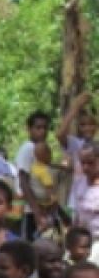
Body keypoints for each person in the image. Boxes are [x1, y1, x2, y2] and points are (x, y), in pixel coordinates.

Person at [58, 92, 95, 222]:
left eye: (91, 124)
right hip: (78, 199)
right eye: (83, 125)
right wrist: (75, 107)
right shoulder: (76, 145)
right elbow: (60, 134)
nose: (87, 128)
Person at [15, 111, 54, 239]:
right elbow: (23, 180)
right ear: (29, 129)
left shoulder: (40, 150)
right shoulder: (28, 148)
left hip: (42, 209)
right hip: (30, 211)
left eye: (45, 128)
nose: (42, 131)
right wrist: (36, 212)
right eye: (38, 128)